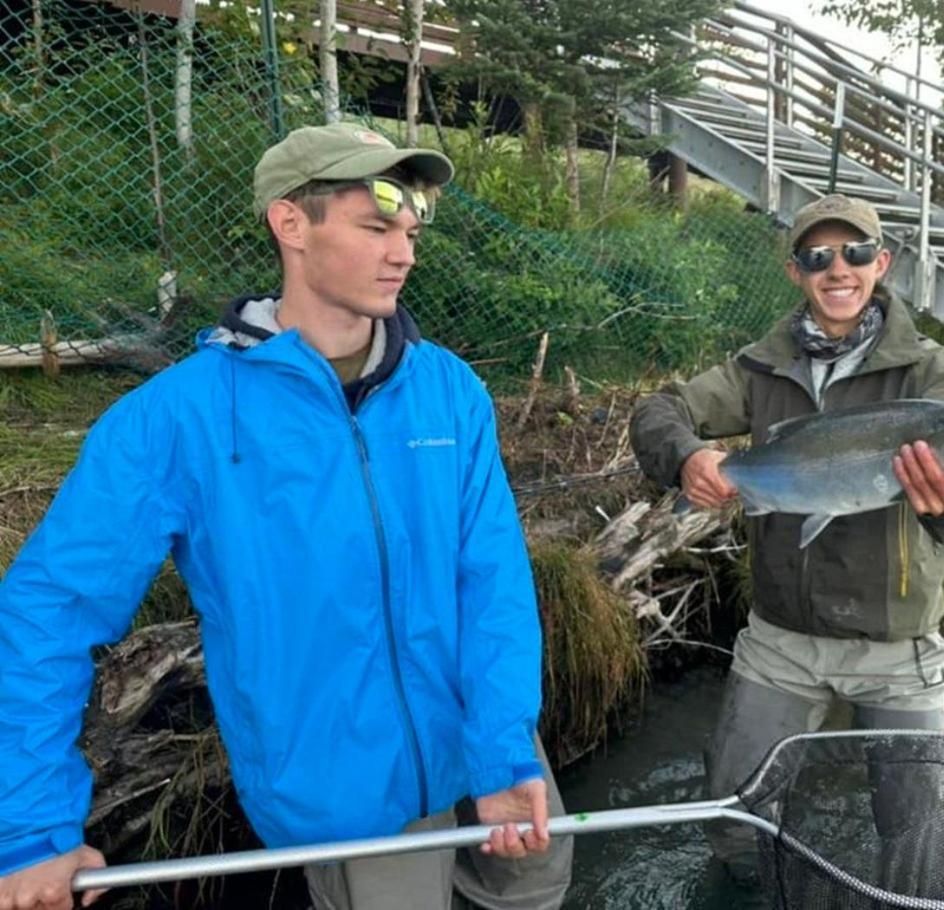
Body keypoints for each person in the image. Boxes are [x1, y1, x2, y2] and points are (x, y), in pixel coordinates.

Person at [0, 122, 571, 910]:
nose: (402, 252)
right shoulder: (177, 418)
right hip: (343, 790)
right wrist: (32, 830)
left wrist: (507, 751)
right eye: (376, 227)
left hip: (493, 745)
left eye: (408, 230)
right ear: (291, 224)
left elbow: (494, 581)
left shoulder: (450, 391)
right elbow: (47, 611)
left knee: (537, 893)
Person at [630, 193, 944, 881]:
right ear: (796, 272)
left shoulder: (935, 373)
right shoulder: (760, 368)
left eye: (853, 253)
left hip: (896, 648)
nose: (836, 269)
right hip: (779, 640)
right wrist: (689, 457)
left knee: (921, 849)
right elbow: (660, 409)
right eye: (818, 256)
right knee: (735, 821)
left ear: (882, 263)